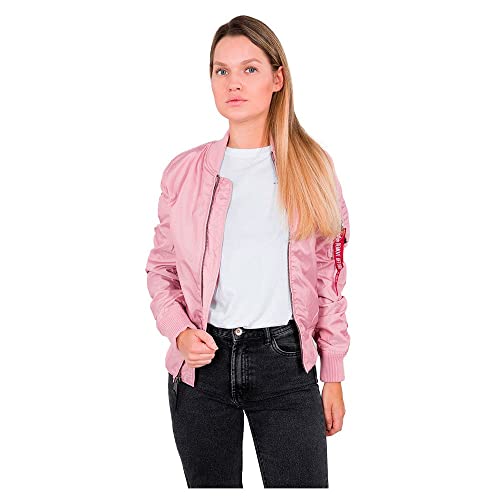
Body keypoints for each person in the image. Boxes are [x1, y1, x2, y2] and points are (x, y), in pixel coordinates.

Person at [145, 15, 351, 488]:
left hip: (286, 363)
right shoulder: (184, 171)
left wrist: (334, 372)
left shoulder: (313, 168)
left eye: (249, 69)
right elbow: (161, 270)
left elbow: (329, 278)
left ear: (277, 78)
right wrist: (179, 332)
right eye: (222, 71)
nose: (233, 83)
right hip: (202, 369)